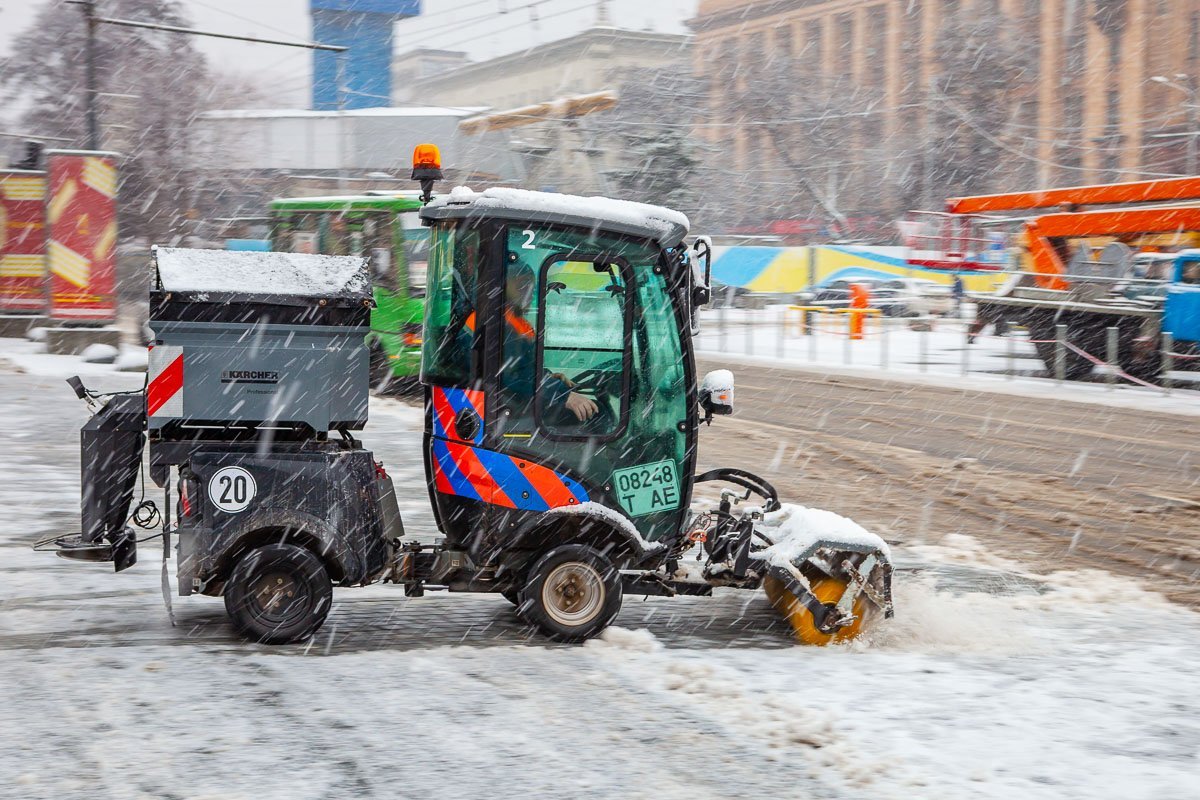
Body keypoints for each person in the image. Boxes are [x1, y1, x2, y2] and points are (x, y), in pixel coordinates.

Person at [462, 265, 599, 423]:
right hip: (503, 412)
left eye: (531, 287)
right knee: (590, 418)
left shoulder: (510, 320)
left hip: (511, 403)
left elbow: (521, 367)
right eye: (523, 285)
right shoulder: (496, 324)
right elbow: (510, 374)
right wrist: (561, 393)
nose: (529, 292)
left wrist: (547, 377)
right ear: (506, 285)